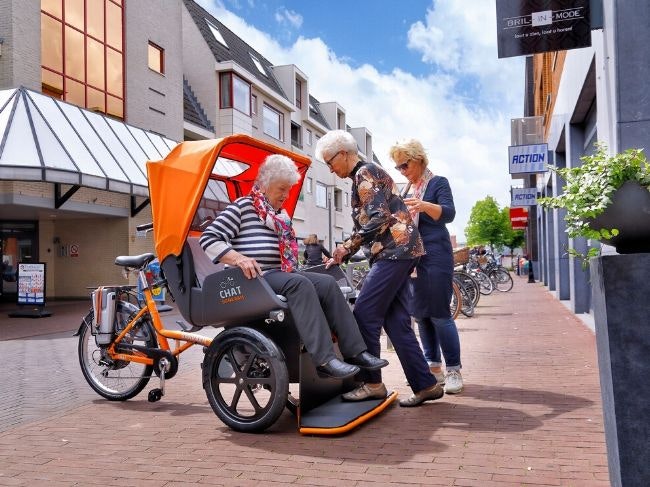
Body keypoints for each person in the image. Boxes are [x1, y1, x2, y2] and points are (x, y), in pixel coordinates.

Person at [199, 154, 388, 380]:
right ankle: (325, 360)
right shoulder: (242, 207)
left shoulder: (278, 216)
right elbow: (209, 238)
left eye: (288, 189)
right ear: (265, 184)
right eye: (281, 189)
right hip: (254, 279)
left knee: (327, 283)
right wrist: (239, 258)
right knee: (298, 284)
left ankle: (356, 352)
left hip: (277, 275)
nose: (286, 195)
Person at [316, 130, 444, 407]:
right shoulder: (363, 176)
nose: (330, 168)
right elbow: (371, 219)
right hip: (400, 250)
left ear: (346, 153)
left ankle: (372, 383)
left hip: (393, 251)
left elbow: (379, 218)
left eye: (330, 161)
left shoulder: (364, 174)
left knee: (364, 314)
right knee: (396, 323)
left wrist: (347, 247)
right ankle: (426, 385)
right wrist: (343, 251)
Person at [389, 139, 464, 394]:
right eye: (397, 167)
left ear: (418, 159)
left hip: (436, 255)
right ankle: (434, 369)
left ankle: (454, 370)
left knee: (440, 314)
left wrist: (423, 205)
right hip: (414, 259)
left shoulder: (437, 183)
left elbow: (449, 214)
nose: (401, 170)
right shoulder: (409, 189)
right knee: (421, 315)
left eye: (404, 165)